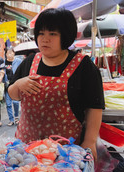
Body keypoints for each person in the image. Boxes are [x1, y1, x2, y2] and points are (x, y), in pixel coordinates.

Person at [8, 8, 104, 159]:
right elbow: (12, 94)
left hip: (67, 152)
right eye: (41, 33)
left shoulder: (83, 66)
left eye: (52, 34)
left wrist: (90, 141)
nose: (44, 39)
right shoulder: (29, 62)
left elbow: (95, 107)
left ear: (65, 36)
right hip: (27, 148)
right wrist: (18, 85)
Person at [4, 47, 22, 126]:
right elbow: (0, 71)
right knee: (8, 104)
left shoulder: (18, 61)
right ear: (6, 54)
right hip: (7, 84)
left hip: (15, 84)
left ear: (14, 53)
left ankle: (16, 117)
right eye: (8, 53)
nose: (10, 54)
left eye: (11, 52)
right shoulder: (4, 62)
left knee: (15, 102)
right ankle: (11, 119)